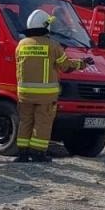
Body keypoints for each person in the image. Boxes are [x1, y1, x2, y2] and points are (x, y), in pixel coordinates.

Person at [14, 9, 84, 162]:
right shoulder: (53, 45)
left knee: (25, 122)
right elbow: (65, 66)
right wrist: (81, 64)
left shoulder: (21, 45)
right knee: (42, 123)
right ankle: (38, 153)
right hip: (45, 96)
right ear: (45, 26)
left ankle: (22, 153)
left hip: (24, 94)